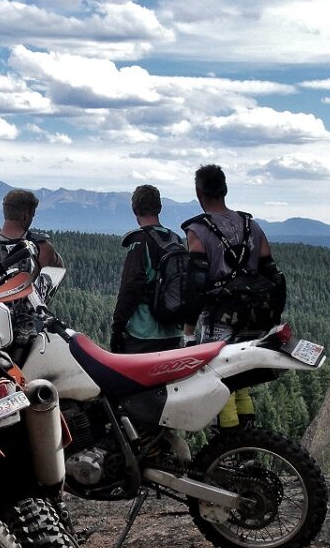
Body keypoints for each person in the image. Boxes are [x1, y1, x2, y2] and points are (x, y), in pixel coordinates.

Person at [183, 163, 284, 428]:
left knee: (219, 380)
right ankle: (247, 445)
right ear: (225, 190)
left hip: (220, 318)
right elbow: (271, 273)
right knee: (241, 382)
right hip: (255, 319)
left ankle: (227, 449)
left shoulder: (198, 231)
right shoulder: (252, 225)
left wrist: (189, 331)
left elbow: (196, 284)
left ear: (199, 193)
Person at [110, 185, 185, 354]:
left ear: (134, 209)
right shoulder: (176, 239)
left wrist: (117, 328)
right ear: (159, 208)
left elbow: (130, 287)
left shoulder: (139, 241)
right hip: (174, 332)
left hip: (143, 333)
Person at [0, 188, 63, 278]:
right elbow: (57, 274)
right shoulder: (42, 247)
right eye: (33, 215)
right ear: (26, 215)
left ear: (5, 212)